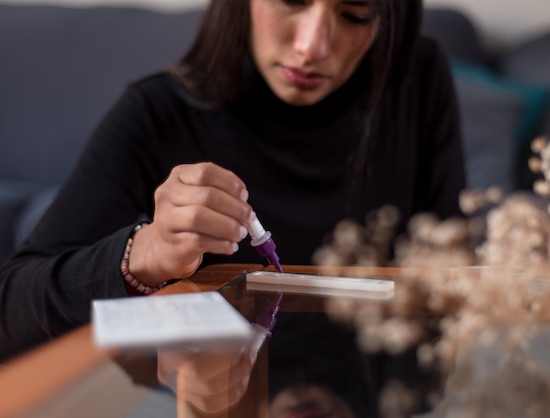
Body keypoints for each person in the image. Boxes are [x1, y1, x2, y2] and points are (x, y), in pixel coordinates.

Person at [0, 0, 465, 361]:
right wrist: (141, 256)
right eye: (291, 0)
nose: (312, 46)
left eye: (355, 15)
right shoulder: (156, 113)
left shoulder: (418, 81)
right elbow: (11, 305)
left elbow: (450, 280)